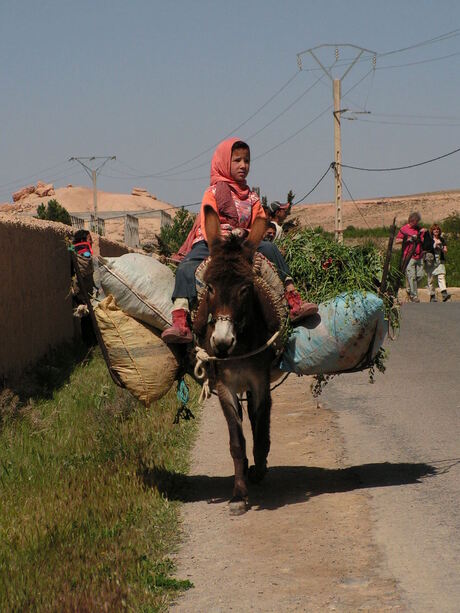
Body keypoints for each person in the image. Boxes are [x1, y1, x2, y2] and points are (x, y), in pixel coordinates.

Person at [161, 138, 317, 344]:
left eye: (247, 161)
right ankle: (180, 320)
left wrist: (247, 235)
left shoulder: (251, 197)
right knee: (186, 267)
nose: (243, 165)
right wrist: (220, 239)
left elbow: (259, 221)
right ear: (224, 162)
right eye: (237, 161)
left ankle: (292, 299)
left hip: (242, 244)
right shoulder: (213, 192)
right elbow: (209, 221)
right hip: (213, 244)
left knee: (270, 248)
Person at [396, 212, 426, 303]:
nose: (416, 223)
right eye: (415, 221)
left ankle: (409, 287)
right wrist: (409, 239)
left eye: (417, 222)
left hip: (419, 255)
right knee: (412, 276)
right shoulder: (404, 229)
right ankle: (414, 296)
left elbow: (423, 239)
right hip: (409, 256)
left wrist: (423, 233)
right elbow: (397, 240)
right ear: (411, 220)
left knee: (420, 275)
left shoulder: (418, 229)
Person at [424, 224, 451, 302]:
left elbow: (445, 250)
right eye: (434, 229)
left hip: (439, 260)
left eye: (437, 229)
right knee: (430, 279)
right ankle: (432, 296)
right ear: (432, 231)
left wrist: (441, 247)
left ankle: (444, 293)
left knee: (441, 275)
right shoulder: (429, 239)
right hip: (430, 261)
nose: (436, 231)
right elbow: (425, 248)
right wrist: (434, 245)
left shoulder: (442, 239)